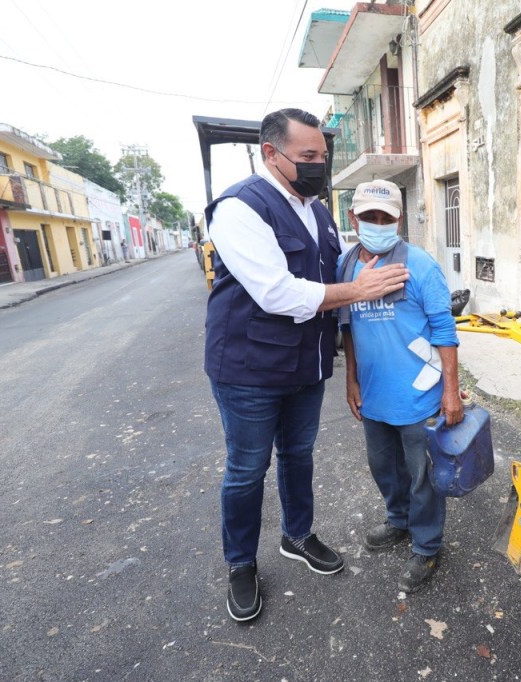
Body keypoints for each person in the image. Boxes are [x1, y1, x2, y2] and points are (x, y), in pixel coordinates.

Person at [205, 108, 409, 622]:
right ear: (271, 154)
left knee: (298, 455)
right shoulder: (239, 208)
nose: (319, 164)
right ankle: (240, 564)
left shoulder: (317, 211)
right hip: (249, 368)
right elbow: (277, 292)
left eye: (323, 155)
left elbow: (338, 266)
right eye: (308, 156)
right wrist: (357, 290)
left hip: (306, 364)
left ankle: (297, 535)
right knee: (247, 468)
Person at [339, 180, 462, 594]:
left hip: (418, 395)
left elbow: (444, 330)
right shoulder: (345, 266)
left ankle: (427, 546)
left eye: (385, 217)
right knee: (384, 468)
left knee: (422, 475)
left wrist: (450, 391)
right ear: (353, 218)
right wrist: (351, 378)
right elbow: (347, 327)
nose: (377, 224)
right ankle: (399, 520)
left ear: (399, 219)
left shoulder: (420, 264)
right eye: (368, 217)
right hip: (374, 395)